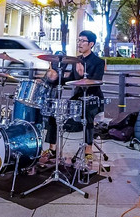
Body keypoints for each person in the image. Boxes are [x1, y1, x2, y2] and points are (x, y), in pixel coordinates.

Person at [39, 30, 106, 172]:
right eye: (78, 40)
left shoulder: (98, 62)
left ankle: (88, 151)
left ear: (91, 44)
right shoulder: (75, 60)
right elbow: (68, 80)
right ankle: (52, 149)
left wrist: (83, 76)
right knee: (54, 110)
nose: (79, 43)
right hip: (77, 99)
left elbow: (97, 81)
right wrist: (54, 78)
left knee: (87, 112)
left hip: (94, 98)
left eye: (83, 41)